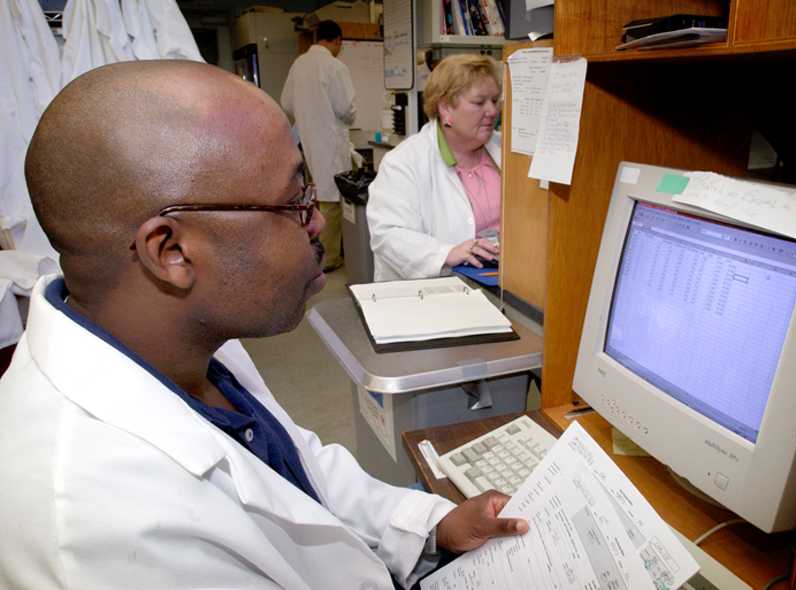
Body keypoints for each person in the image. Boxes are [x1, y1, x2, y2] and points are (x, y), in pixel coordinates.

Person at [0, 60, 530, 589]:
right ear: (173, 252)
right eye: (294, 202)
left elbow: (301, 471)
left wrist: (433, 524)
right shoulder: (111, 537)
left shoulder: (183, 342)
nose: (319, 221)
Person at [367, 54, 503, 282]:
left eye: (494, 100)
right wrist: (446, 253)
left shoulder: (505, 150)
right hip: (430, 294)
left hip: (501, 281)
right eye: (479, 102)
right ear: (446, 109)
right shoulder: (404, 162)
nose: (492, 111)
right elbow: (387, 234)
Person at [281, 19, 355, 273]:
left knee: (315, 197)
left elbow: (287, 103)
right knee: (333, 200)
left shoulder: (298, 64)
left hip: (307, 141)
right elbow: (346, 108)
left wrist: (307, 114)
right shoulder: (334, 66)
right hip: (330, 141)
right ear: (336, 41)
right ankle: (331, 257)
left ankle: (316, 249)